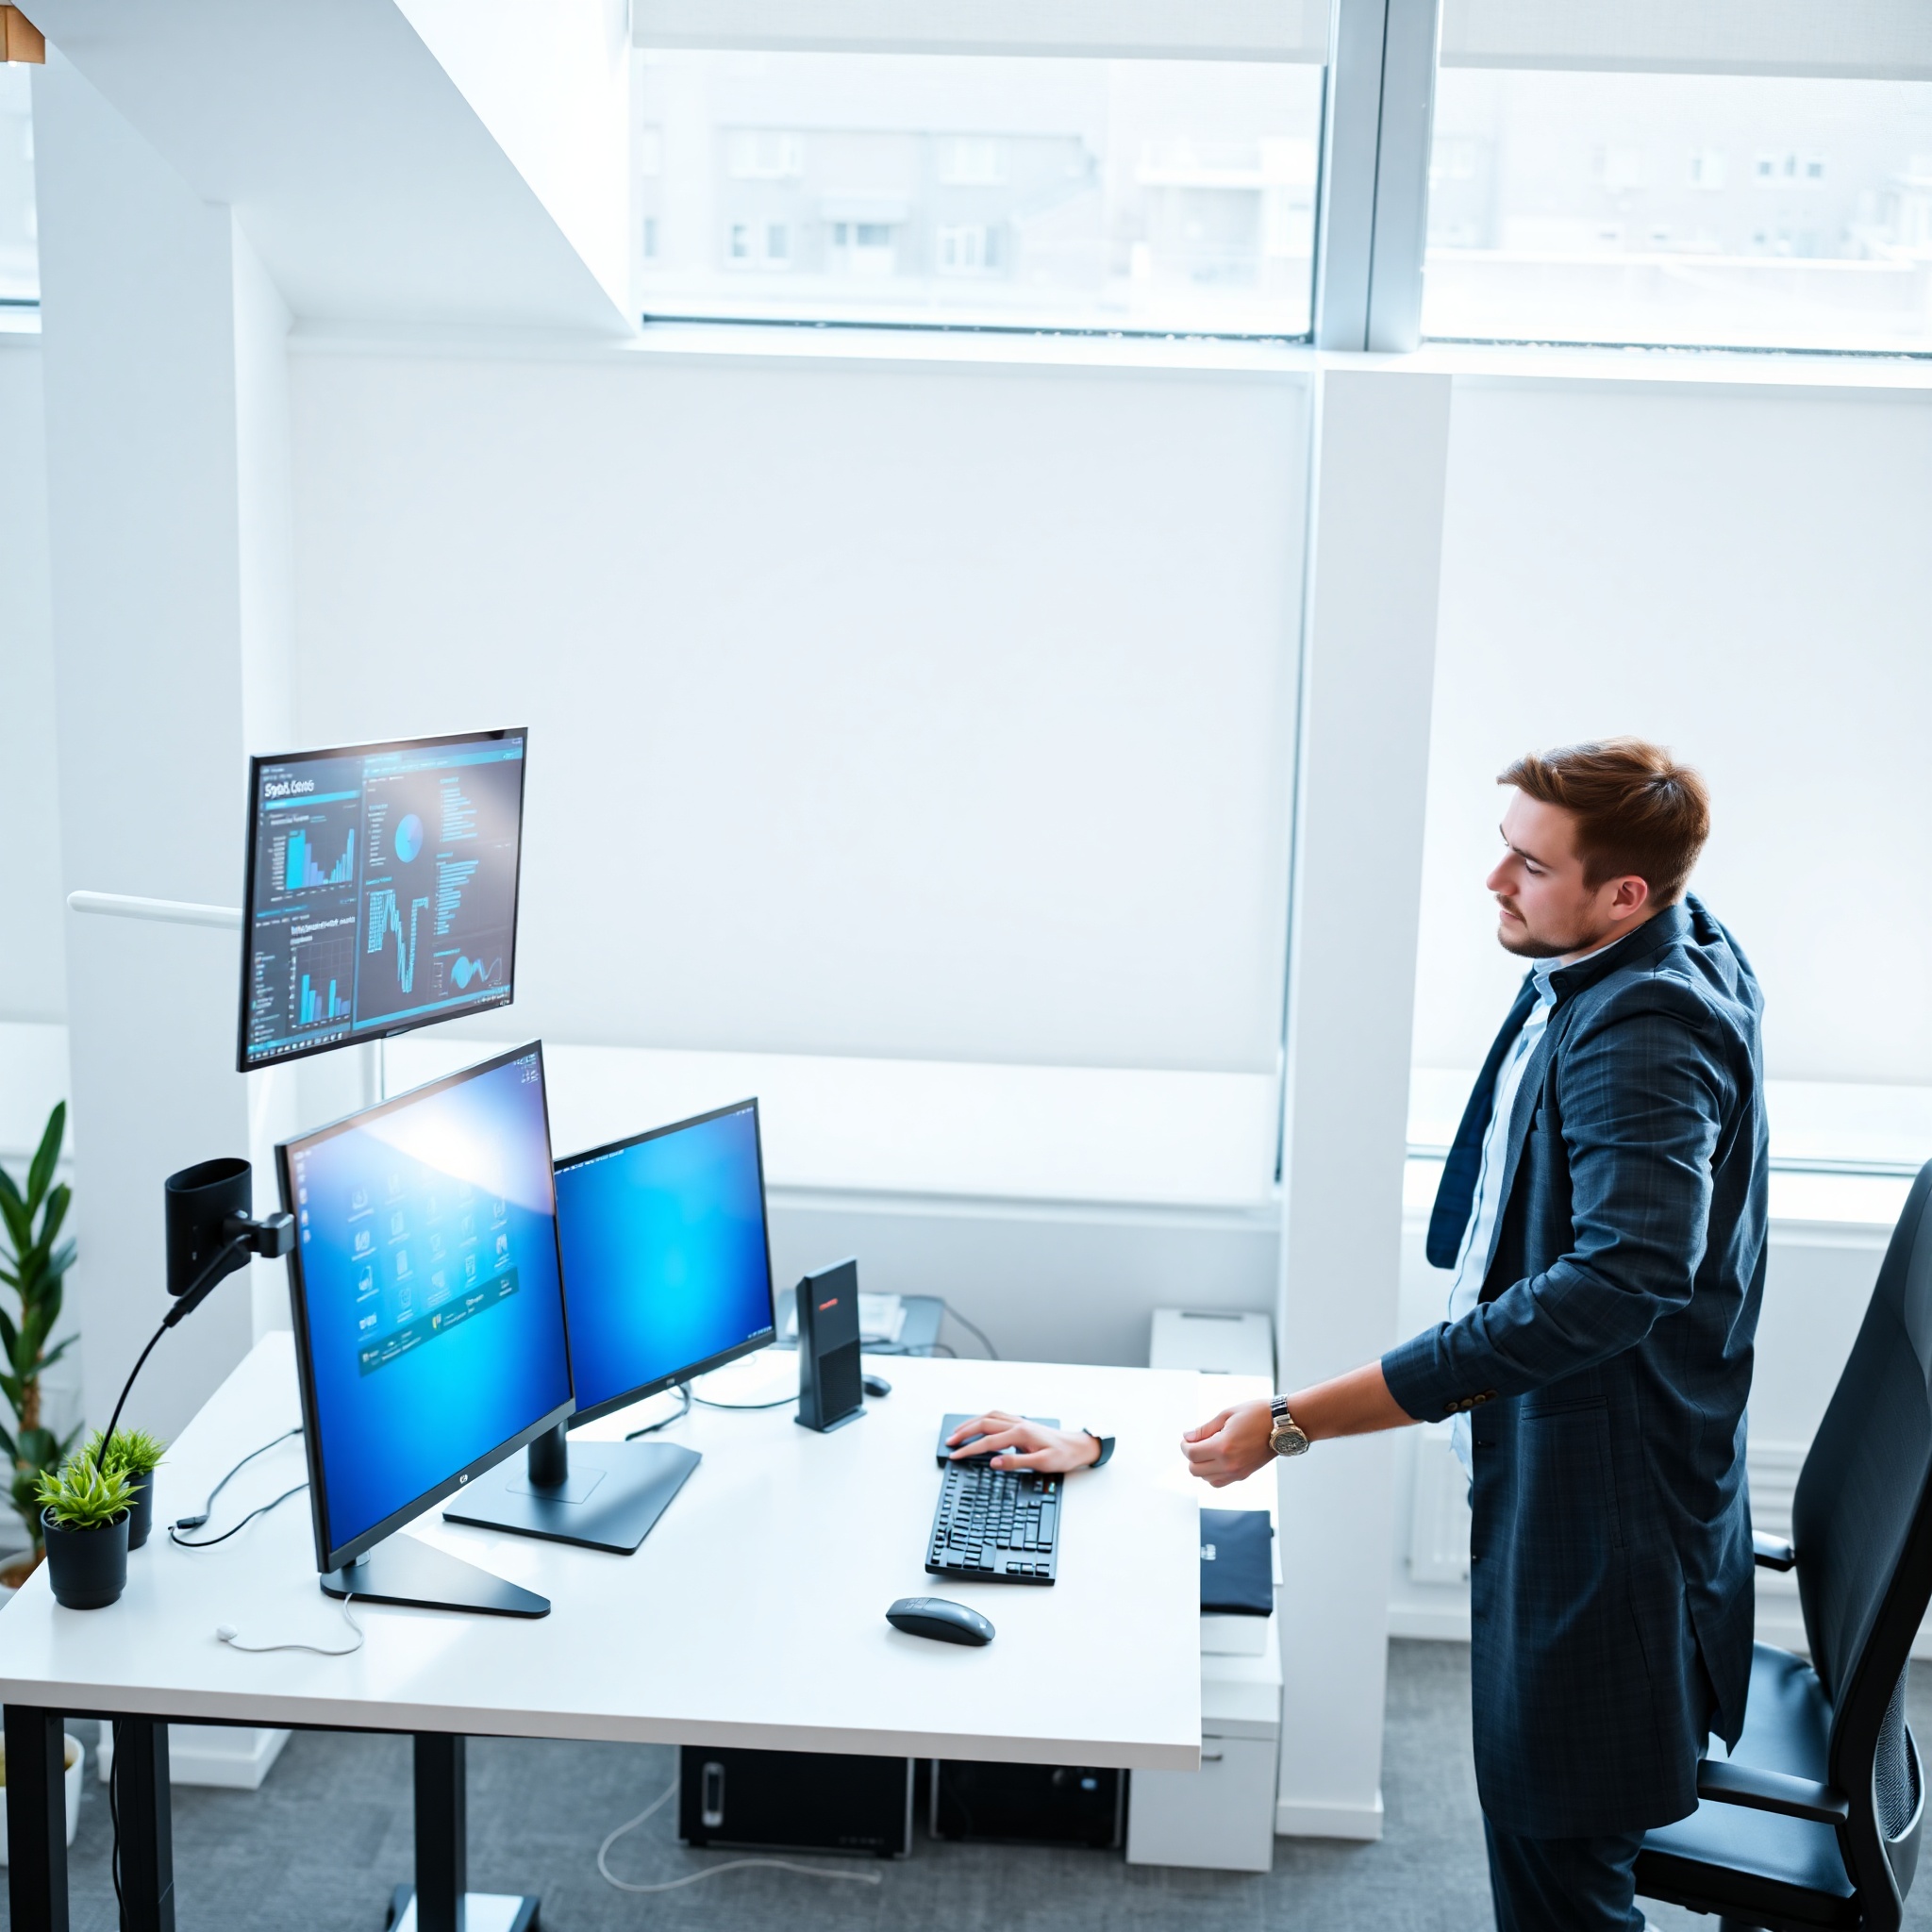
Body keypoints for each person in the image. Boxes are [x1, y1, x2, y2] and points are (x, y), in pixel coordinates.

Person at [1183, 739, 1768, 1932]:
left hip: (1600, 1515)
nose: (1492, 881)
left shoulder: (1645, 1023)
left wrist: (1297, 1420)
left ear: (1625, 894)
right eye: (1501, 845)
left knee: (1556, 1872)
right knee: (1552, 1840)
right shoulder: (1634, 944)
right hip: (1588, 1468)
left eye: (1526, 863)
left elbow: (1621, 1278)